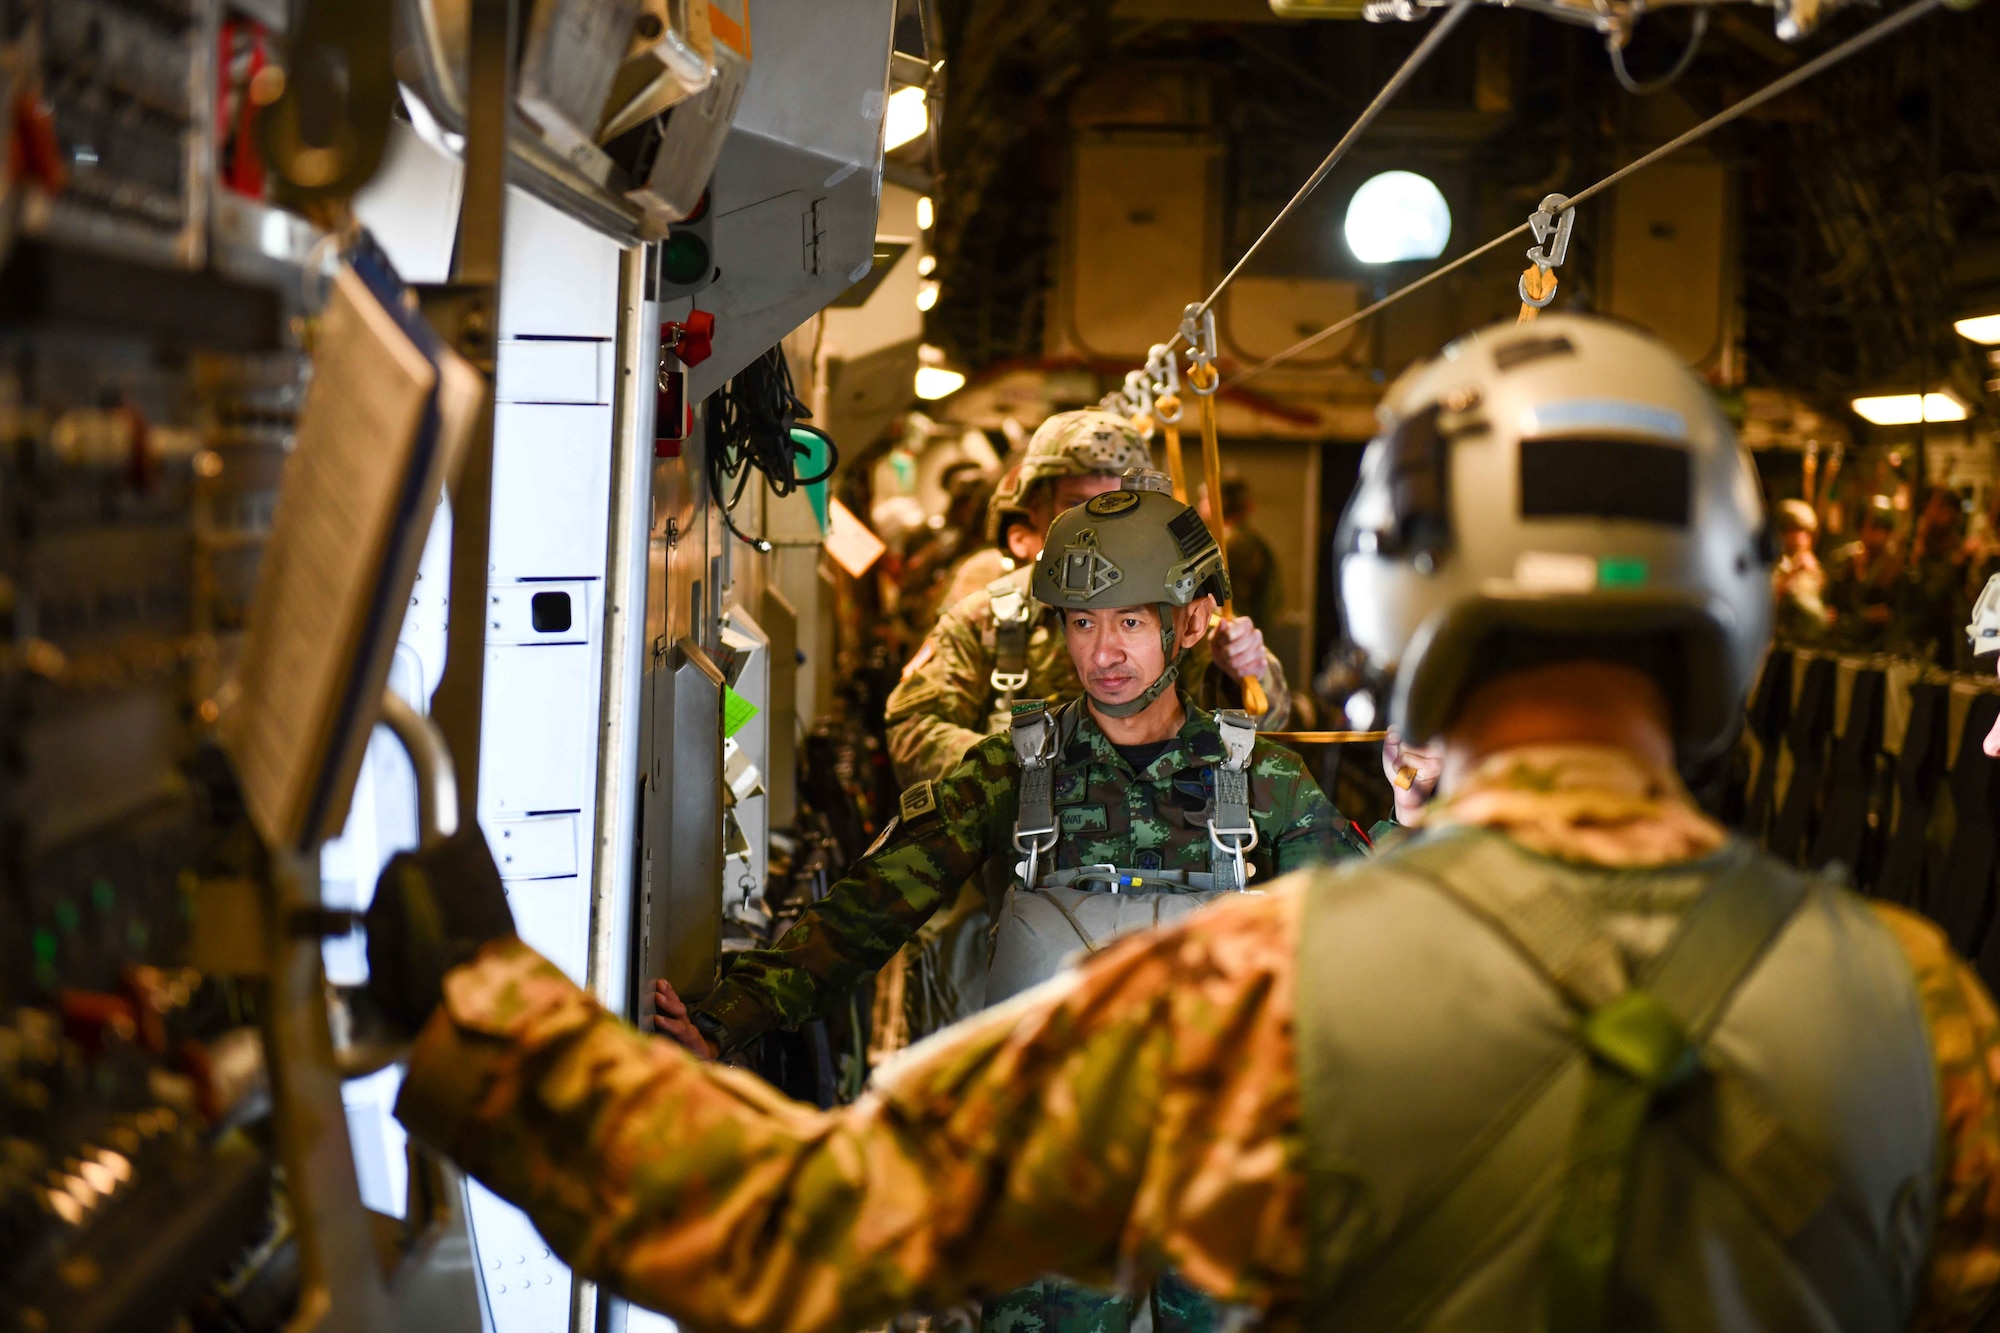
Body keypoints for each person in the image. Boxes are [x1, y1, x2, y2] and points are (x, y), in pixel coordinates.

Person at [370, 313, 2000, 1333]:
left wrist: (489, 1007)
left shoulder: (1253, 997)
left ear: (1401, 604)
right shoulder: (1919, 1015)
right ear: (1728, 616)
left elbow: (793, 1229)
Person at [875, 410, 1292, 1051]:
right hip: (1003, 882)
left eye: (1115, 506)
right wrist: (1016, 782)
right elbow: (912, 717)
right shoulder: (990, 617)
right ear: (1032, 519)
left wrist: (1252, 672)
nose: (1099, 529)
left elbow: (1261, 729)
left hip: (1157, 878)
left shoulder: (1177, 611)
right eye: (1076, 505)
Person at [1827, 493, 1902, 651]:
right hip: (1844, 636)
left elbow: (1891, 611)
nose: (1878, 535)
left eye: (1884, 528)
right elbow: (1836, 603)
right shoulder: (1845, 559)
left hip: (1878, 642)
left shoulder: (1895, 565)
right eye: (1874, 527)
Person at [1771, 497, 1832, 642]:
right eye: (1798, 530)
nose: (1804, 538)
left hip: (1811, 640)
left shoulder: (1811, 563)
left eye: (1807, 532)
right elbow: (1770, 600)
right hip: (1780, 639)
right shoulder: (1774, 562)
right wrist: (1793, 573)